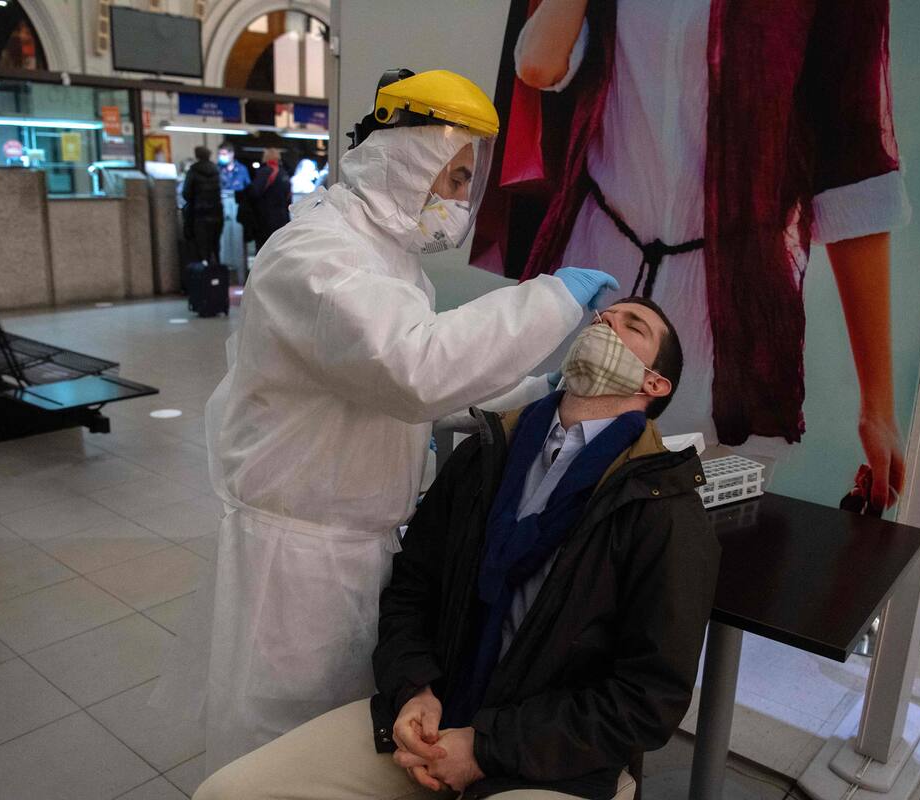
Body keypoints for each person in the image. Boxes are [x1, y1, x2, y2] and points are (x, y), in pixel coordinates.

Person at [150, 68, 619, 774]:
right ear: (405, 158)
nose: (458, 201)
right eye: (453, 177)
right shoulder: (317, 255)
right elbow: (414, 367)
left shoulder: (391, 263)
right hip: (298, 559)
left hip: (354, 546)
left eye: (467, 182)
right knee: (282, 746)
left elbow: (413, 387)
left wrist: (534, 392)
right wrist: (553, 299)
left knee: (338, 736)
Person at [194, 298, 719, 800]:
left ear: (654, 383)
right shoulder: (484, 457)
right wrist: (413, 690)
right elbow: (411, 587)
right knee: (226, 792)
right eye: (604, 313)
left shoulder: (661, 508)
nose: (604, 320)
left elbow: (648, 698)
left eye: (632, 325)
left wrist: (486, 747)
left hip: (546, 759)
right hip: (433, 716)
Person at [473, 0, 911, 511]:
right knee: (534, 513)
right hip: (596, 269)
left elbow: (854, 171)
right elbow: (538, 64)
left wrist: (878, 407)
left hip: (731, 323)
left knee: (689, 536)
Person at [182, 146, 224, 265]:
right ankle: (217, 270)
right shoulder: (216, 170)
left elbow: (186, 193)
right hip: (217, 213)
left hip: (200, 214)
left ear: (197, 156)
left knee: (202, 247)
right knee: (215, 244)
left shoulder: (193, 171)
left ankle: (205, 270)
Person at [247, 147, 292, 248]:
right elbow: (288, 198)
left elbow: (254, 193)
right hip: (282, 218)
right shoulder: (284, 173)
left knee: (264, 248)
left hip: (265, 218)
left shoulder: (265, 172)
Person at [218, 145, 251, 276]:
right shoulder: (217, 170)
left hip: (238, 209)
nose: (222, 156)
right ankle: (224, 274)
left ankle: (240, 273)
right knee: (223, 244)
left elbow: (248, 188)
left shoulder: (241, 170)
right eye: (220, 154)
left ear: (231, 154)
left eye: (224, 153)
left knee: (238, 243)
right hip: (222, 209)